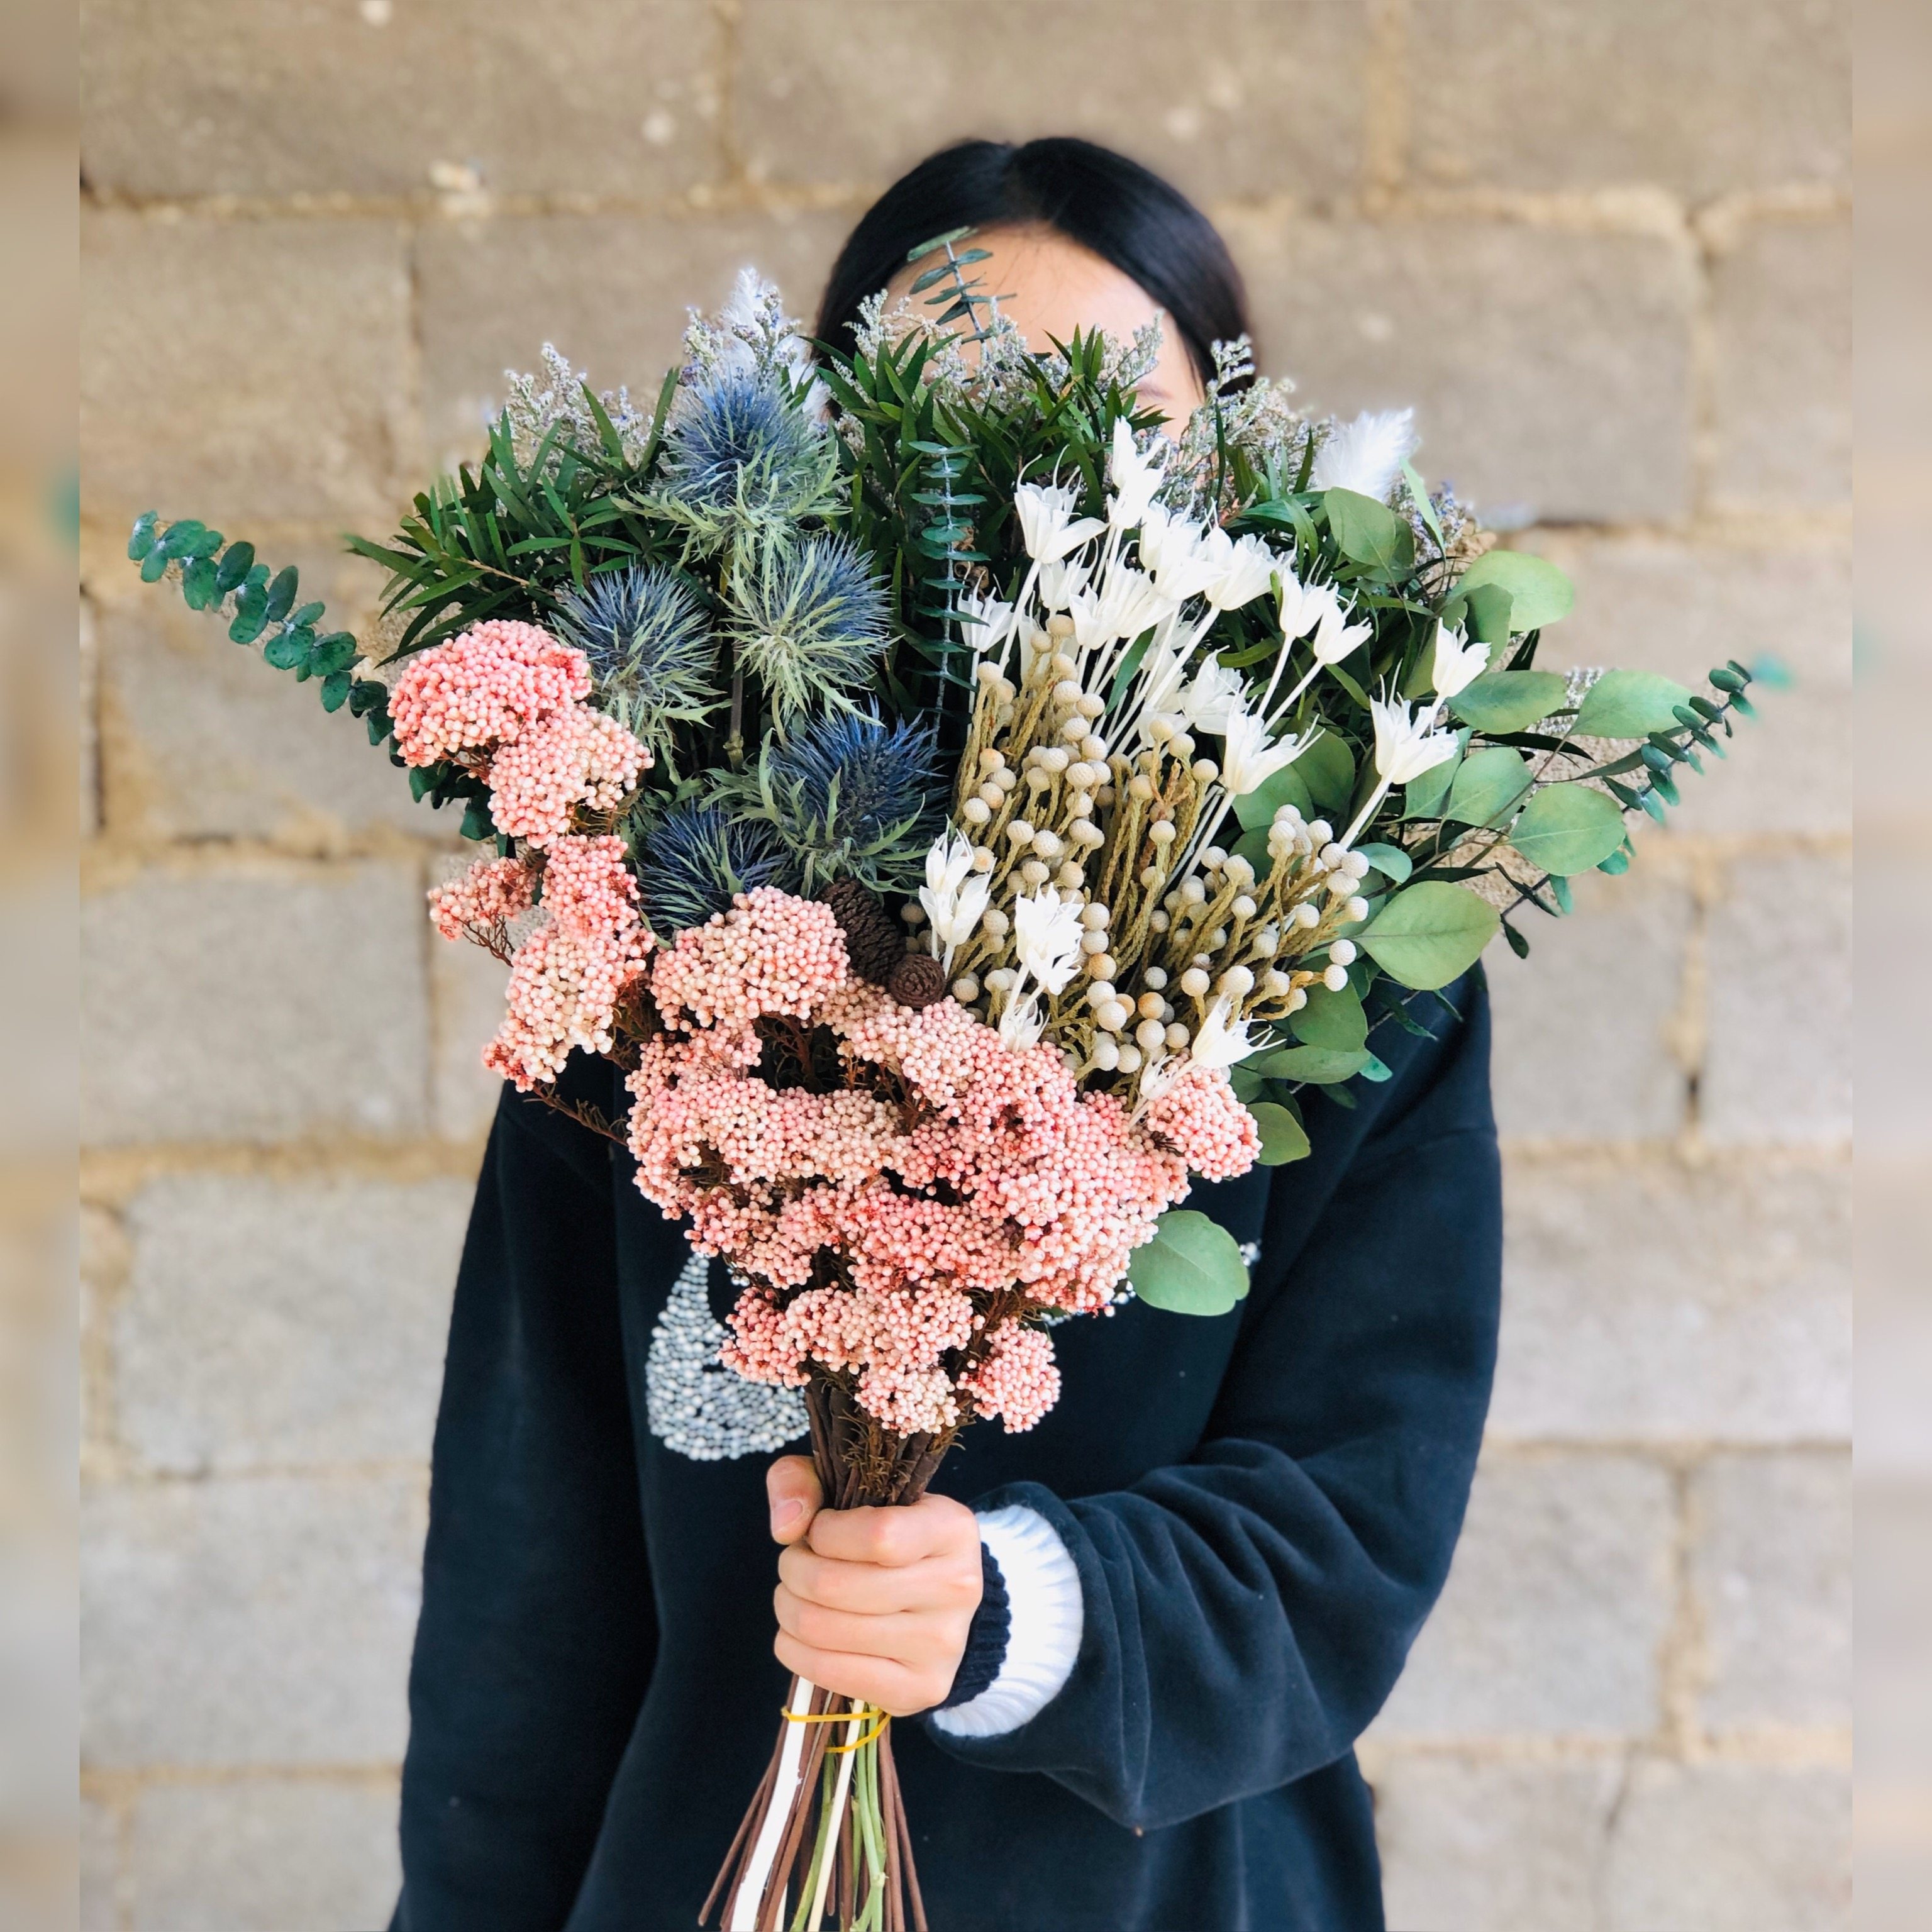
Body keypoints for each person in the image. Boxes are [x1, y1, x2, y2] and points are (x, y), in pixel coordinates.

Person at [390, 138, 1501, 1932]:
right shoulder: (649, 936)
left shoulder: (1342, 960)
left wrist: (1012, 1617)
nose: (1017, 483)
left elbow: (1353, 1525)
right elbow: (529, 1584)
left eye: (1105, 425)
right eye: (958, 417)